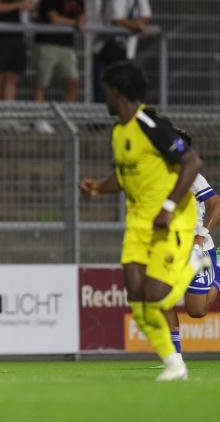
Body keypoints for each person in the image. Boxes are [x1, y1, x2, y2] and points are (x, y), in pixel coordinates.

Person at [79, 63, 210, 381]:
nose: (104, 97)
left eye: (106, 91)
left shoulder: (150, 123)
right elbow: (124, 177)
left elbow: (191, 162)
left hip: (171, 223)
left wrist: (167, 207)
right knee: (137, 297)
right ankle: (174, 364)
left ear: (118, 93)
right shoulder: (118, 131)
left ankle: (197, 263)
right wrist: (98, 186)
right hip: (138, 225)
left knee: (156, 295)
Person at [165, 129, 220, 359]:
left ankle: (217, 276)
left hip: (198, 249)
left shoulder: (194, 178)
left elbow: (216, 205)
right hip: (170, 248)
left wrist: (201, 234)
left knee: (197, 311)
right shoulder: (158, 175)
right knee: (159, 294)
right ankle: (174, 356)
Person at [94, 0, 152, 102]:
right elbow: (117, 20)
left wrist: (138, 24)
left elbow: (146, 16)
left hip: (127, 50)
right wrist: (138, 25)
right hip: (107, 48)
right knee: (106, 85)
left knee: (124, 86)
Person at [33, 0, 85, 103]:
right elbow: (54, 18)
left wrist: (80, 20)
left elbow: (81, 13)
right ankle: (39, 119)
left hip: (67, 45)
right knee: (42, 83)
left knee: (72, 80)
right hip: (47, 44)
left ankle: (67, 118)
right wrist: (75, 23)